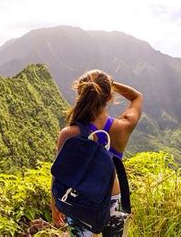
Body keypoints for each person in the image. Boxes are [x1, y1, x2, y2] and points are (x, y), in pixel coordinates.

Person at [51, 69, 142, 236]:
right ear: (109, 97)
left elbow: (59, 173)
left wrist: (55, 203)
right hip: (114, 200)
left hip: (79, 200)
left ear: (81, 93)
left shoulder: (69, 133)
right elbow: (137, 96)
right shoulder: (123, 127)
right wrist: (110, 84)